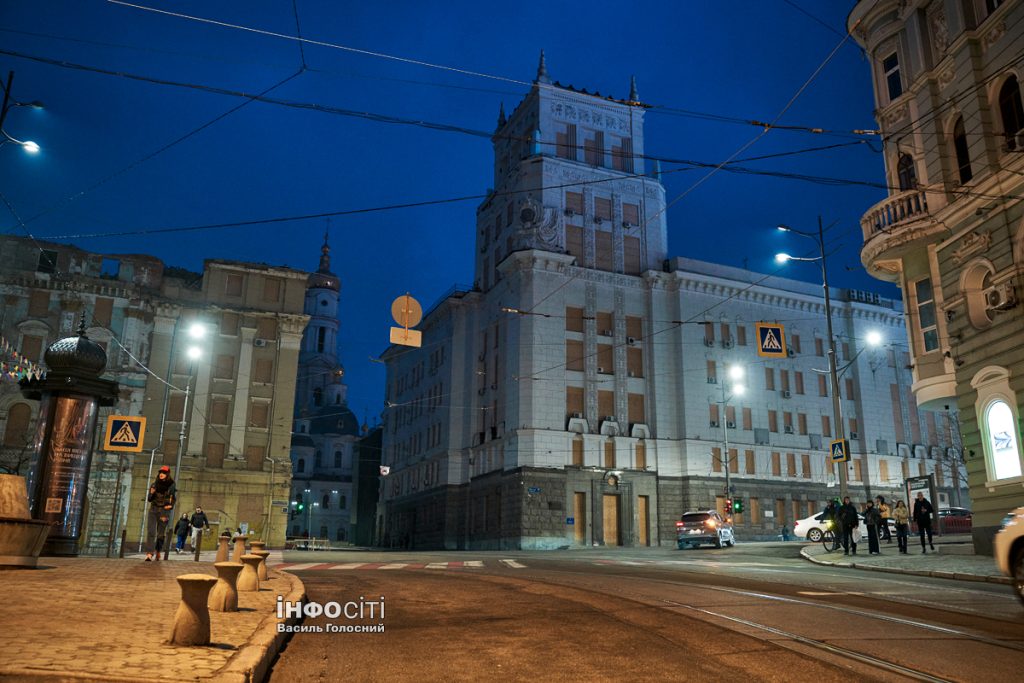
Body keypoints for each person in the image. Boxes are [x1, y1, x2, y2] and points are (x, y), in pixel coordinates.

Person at [145, 465, 176, 561]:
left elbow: (173, 498)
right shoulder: (154, 485)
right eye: (160, 473)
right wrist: (152, 493)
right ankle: (149, 553)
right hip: (153, 510)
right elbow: (149, 499)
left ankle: (158, 550)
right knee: (151, 531)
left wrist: (171, 505)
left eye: (164, 473)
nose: (161, 474)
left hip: (164, 511)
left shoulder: (171, 486)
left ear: (167, 474)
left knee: (160, 534)